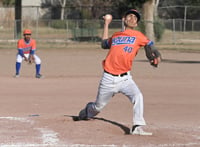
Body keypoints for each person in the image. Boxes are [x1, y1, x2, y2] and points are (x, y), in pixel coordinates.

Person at [78, 9, 161, 135]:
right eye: (130, 16)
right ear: (124, 19)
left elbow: (150, 45)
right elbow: (104, 44)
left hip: (125, 79)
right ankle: (87, 111)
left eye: (135, 18)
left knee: (138, 96)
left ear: (137, 24)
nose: (133, 19)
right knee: (97, 107)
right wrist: (106, 23)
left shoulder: (139, 36)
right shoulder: (116, 35)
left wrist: (155, 55)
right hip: (108, 78)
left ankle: (137, 126)